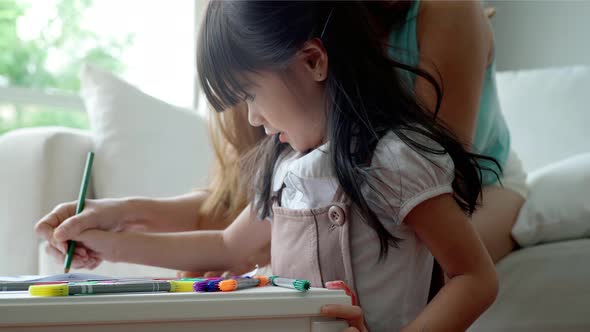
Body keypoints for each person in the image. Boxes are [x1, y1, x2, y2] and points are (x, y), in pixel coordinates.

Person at [35, 1, 506, 331]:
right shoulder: (287, 170)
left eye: (250, 96)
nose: (254, 120)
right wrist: (111, 247)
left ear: (313, 60)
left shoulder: (399, 159)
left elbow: (473, 277)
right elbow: (226, 244)